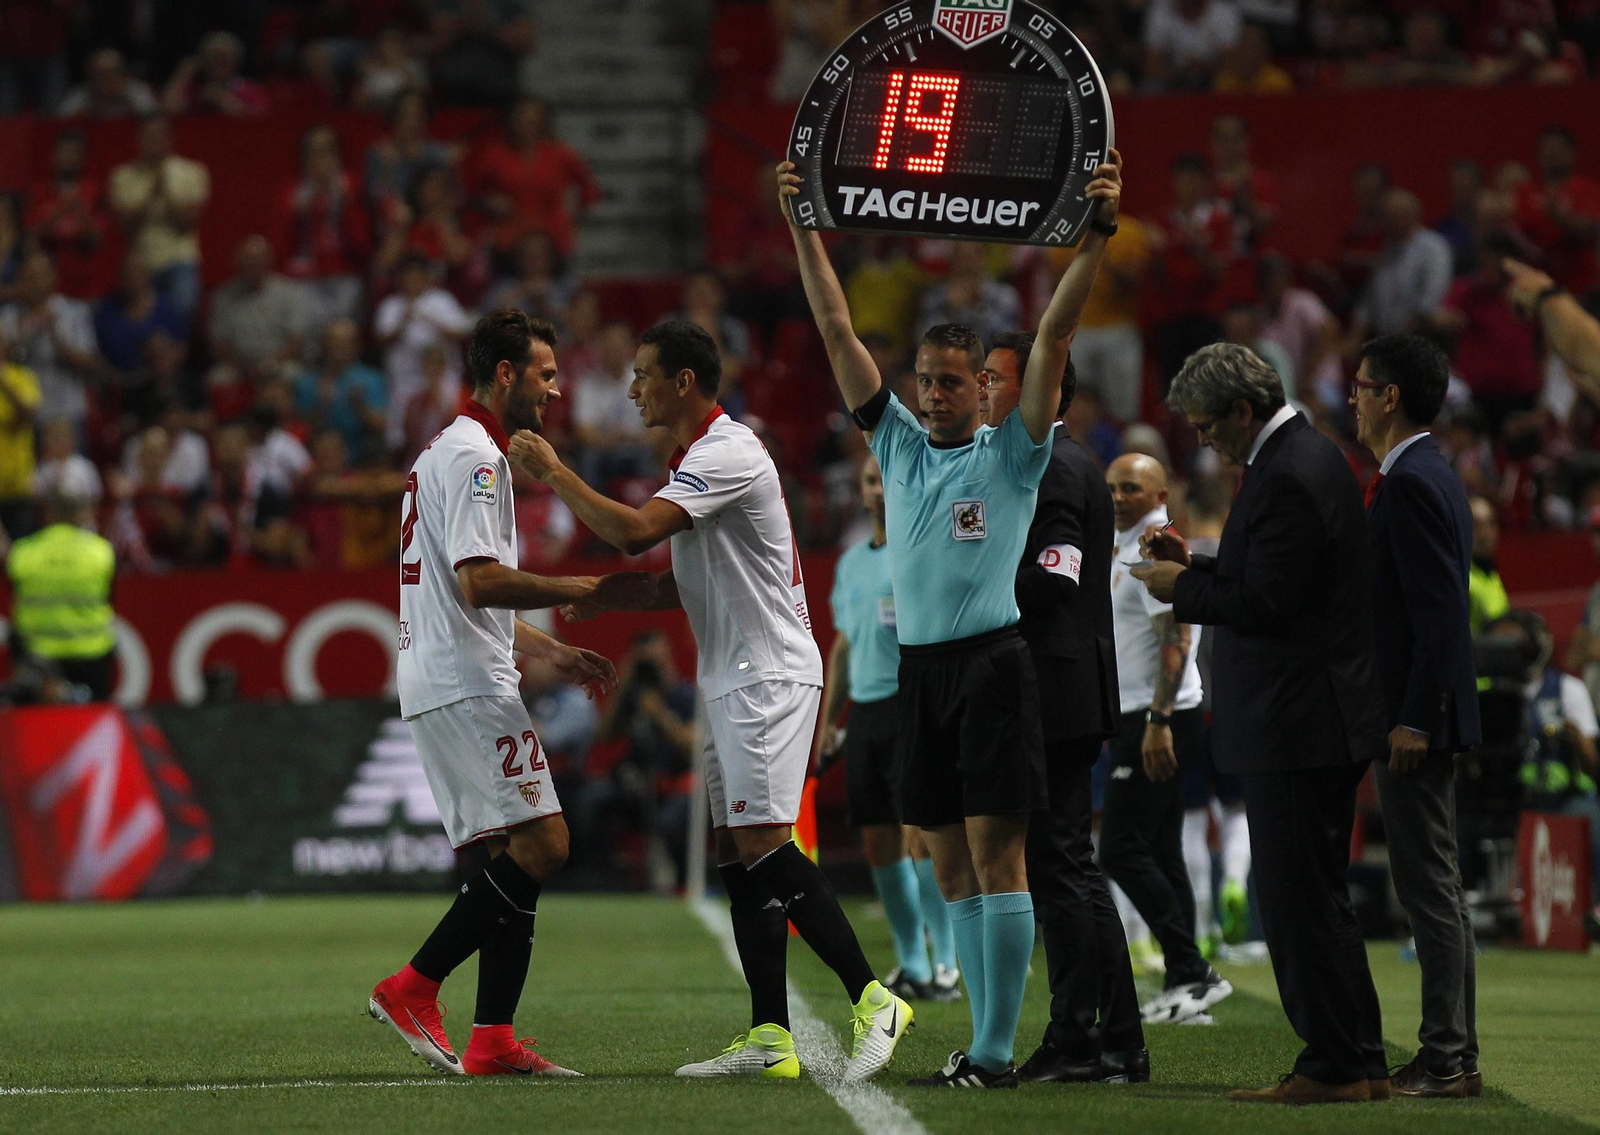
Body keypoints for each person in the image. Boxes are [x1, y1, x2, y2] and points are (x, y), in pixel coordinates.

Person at [779, 149, 1123, 1089]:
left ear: (983, 389)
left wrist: (1092, 237)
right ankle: (980, 1039)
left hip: (993, 667)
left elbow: (1053, 337)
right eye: (924, 379)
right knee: (947, 868)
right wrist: (806, 228)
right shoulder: (892, 441)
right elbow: (835, 322)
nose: (932, 393)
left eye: (949, 381)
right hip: (918, 673)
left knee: (996, 855)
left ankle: (998, 1051)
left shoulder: (1014, 457)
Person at [507, 320, 911, 1083]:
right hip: (735, 675)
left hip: (767, 674)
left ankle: (873, 998)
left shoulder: (728, 451)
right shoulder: (695, 461)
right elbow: (673, 578)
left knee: (764, 843)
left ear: (684, 382)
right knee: (737, 854)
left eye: (643, 375)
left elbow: (633, 533)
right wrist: (606, 596)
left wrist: (554, 471)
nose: (632, 390)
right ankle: (770, 1034)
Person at [370, 308, 640, 1079]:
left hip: (441, 671)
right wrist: (583, 585)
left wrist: (553, 648)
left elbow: (465, 600)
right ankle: (413, 985)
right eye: (546, 374)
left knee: (507, 853)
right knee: (546, 843)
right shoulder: (480, 460)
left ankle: (492, 1038)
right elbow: (480, 580)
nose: (555, 390)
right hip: (464, 684)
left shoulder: (439, 455)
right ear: (504, 374)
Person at [1133, 343, 1389, 1104]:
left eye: (1210, 425)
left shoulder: (1287, 474)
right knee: (1318, 894)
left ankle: (1332, 1064)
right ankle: (1361, 1058)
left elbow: (1269, 605)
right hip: (1314, 716)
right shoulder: (1307, 458)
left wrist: (1182, 587)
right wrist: (1201, 565)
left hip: (1298, 719)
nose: (1205, 440)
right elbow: (1272, 580)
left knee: (1296, 897)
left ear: (1244, 411)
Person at [979, 332, 1148, 1085]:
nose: (983, 388)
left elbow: (1056, 576)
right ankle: (1119, 1041)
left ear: (1041, 387)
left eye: (994, 377)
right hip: (1068, 688)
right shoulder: (1061, 463)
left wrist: (972, 587)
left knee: (1060, 868)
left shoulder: (1055, 468)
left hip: (1056, 691)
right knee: (1071, 867)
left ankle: (1079, 1038)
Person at [1351, 334, 1483, 1098]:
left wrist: (1417, 717)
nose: (1354, 399)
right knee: (1440, 886)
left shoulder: (1407, 483)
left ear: (1389, 395)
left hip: (1416, 721)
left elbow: (1440, 618)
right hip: (1423, 711)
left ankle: (1444, 1056)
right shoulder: (1431, 473)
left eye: (1361, 386)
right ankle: (1453, 1052)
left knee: (1428, 887)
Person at [816, 454, 961, 1002]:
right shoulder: (851, 562)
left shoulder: (922, 551)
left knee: (922, 837)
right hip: (868, 714)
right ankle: (912, 963)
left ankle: (946, 963)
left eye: (885, 480)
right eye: (870, 480)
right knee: (879, 841)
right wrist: (831, 721)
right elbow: (845, 645)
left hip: (914, 705)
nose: (878, 490)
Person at [1099, 453, 1230, 1027]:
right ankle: (1187, 981)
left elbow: (1178, 640)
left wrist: (1155, 720)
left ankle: (1192, 967)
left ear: (1160, 494)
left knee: (1120, 849)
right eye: (1112, 487)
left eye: (1132, 488)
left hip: (1160, 718)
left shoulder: (1154, 551)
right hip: (1149, 715)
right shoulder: (1126, 549)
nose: (1118, 496)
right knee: (1160, 846)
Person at [1177, 477, 1254, 952]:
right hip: (1233, 708)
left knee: (1188, 817)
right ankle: (1236, 884)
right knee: (1236, 811)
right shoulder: (1239, 564)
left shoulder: (1179, 564)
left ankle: (1202, 922)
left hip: (1188, 707)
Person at [6, 494, 116, 701]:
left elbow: (14, 594)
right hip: (91, 655)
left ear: (49, 515)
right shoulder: (102, 552)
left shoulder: (23, 552)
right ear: (81, 516)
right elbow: (109, 597)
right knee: (93, 724)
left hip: (37, 657)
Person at [108, 117, 210, 319]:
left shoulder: (193, 171)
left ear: (170, 138)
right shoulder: (122, 175)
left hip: (179, 259)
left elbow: (186, 223)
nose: (155, 141)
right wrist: (149, 195)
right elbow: (125, 228)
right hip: (140, 263)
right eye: (149, 135)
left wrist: (164, 187)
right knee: (140, 321)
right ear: (139, 139)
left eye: (160, 135)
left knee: (182, 315)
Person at [1467, 495, 1511, 633]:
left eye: (1491, 523)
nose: (1485, 533)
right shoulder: (1461, 581)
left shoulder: (1491, 573)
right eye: (1476, 525)